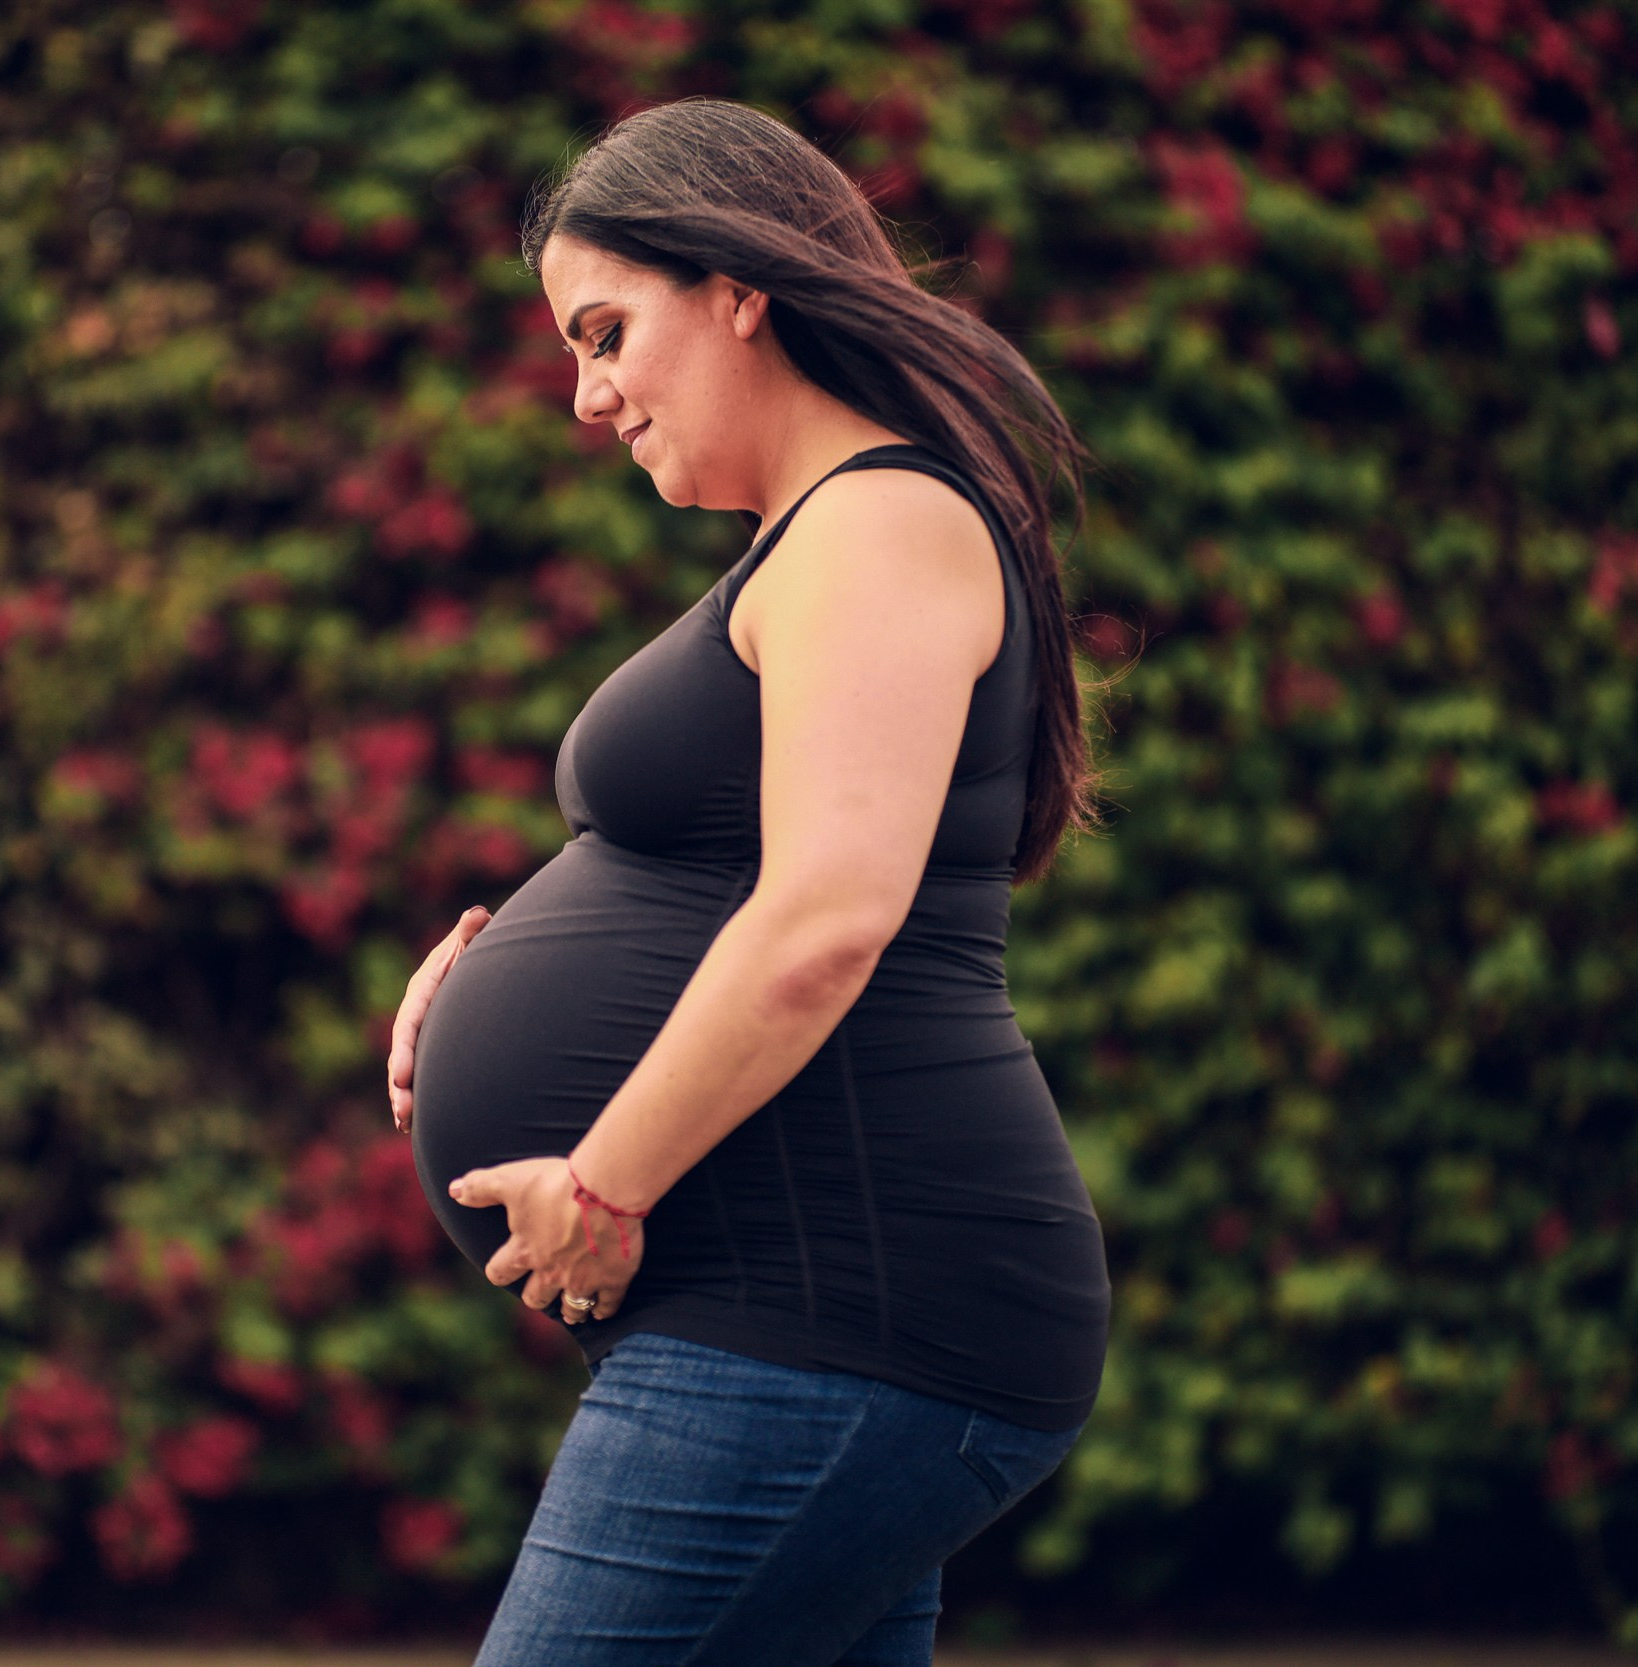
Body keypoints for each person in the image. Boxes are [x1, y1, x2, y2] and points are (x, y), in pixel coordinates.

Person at [384, 96, 1111, 1666]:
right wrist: (500, 955)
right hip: (814, 1319)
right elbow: (735, 868)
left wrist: (601, 1185)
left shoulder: (882, 523)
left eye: (605, 332)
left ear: (736, 288)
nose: (586, 398)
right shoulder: (828, 538)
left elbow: (826, 918)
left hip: (843, 1319)